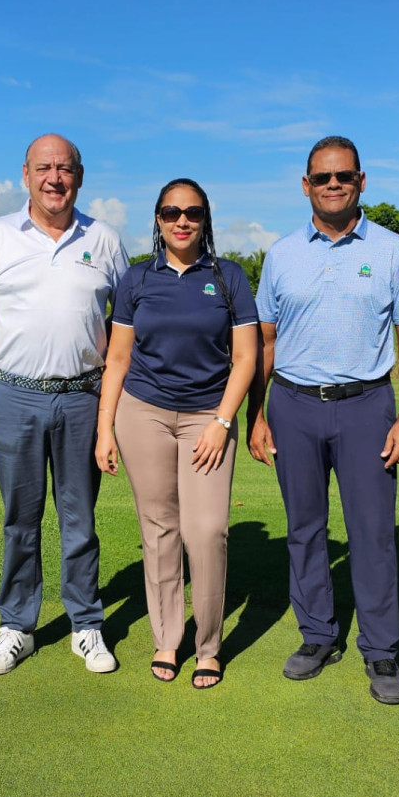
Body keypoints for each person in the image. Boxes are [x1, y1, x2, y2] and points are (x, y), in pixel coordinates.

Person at [248, 137, 399, 705]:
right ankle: (318, 636)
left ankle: (380, 650)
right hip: (293, 405)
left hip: (367, 405)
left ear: (361, 181)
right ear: (306, 185)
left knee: (373, 534)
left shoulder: (393, 249)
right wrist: (257, 414)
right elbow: (266, 341)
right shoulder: (280, 254)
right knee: (304, 528)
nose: (333, 185)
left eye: (343, 176)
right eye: (322, 177)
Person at [0, 134, 130, 676]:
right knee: (19, 520)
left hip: (82, 397)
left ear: (80, 175)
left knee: (79, 521)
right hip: (14, 395)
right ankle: (16, 626)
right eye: (44, 168)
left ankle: (86, 625)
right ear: (25, 174)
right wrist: (7, 346)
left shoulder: (104, 239)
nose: (55, 178)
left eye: (65, 168)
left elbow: (126, 319)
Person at [95, 179, 258, 688]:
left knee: (206, 531)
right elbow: (117, 358)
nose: (181, 221)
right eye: (171, 212)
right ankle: (167, 638)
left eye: (192, 212)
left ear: (205, 218)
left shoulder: (228, 276)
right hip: (142, 413)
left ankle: (208, 645)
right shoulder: (137, 279)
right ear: (158, 220)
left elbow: (247, 357)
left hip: (209, 418)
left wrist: (223, 422)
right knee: (159, 528)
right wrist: (105, 429)